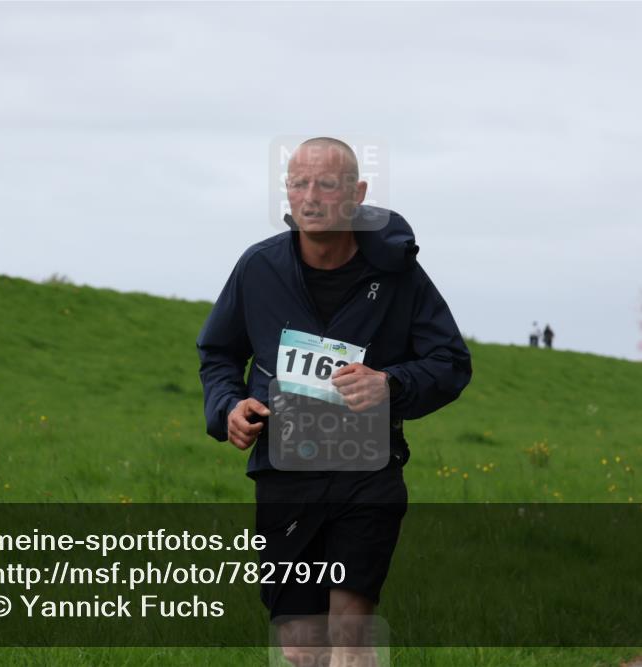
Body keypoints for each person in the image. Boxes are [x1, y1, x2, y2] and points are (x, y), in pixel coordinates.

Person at [196, 137, 472, 666]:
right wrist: (228, 406)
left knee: (350, 637)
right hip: (286, 473)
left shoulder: (397, 275)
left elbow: (450, 363)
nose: (311, 196)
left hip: (367, 470)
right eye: (299, 183)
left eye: (326, 183)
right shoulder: (258, 268)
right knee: (300, 649)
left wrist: (389, 384)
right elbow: (218, 353)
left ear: (356, 193)